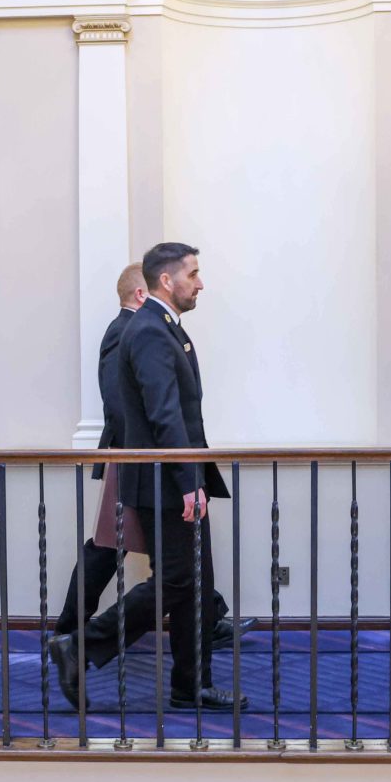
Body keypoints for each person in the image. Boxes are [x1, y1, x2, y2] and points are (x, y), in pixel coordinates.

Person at [47, 264, 245, 700]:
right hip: (145, 466)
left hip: (160, 466)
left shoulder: (152, 329)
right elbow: (138, 409)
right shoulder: (132, 330)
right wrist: (156, 465)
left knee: (172, 571)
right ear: (146, 291)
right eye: (191, 274)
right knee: (140, 564)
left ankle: (190, 675)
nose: (199, 283)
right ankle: (74, 640)